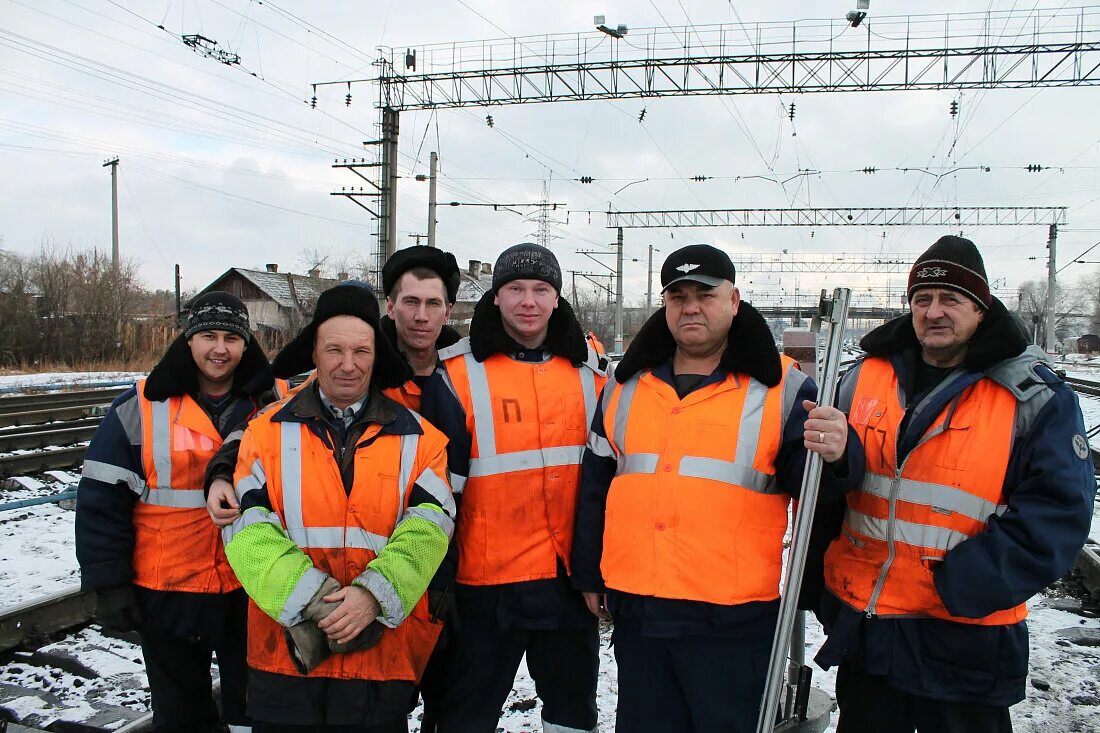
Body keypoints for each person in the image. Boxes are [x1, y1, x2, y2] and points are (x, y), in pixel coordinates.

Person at [570, 244, 862, 733]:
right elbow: (597, 484)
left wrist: (838, 452)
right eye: (677, 296)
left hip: (733, 617)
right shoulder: (625, 386)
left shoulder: (783, 387)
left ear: (734, 300)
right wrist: (588, 573)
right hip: (641, 609)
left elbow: (812, 482)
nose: (690, 307)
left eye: (705, 294)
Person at [812, 235, 1097, 733]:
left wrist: (966, 583)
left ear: (981, 309)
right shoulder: (864, 379)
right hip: (869, 630)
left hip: (965, 638)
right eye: (922, 299)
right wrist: (819, 584)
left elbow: (1058, 513)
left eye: (951, 299)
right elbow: (830, 489)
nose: (934, 312)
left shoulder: (1032, 396)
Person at [220, 282, 455, 732]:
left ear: (376, 355)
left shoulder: (422, 440)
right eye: (334, 350)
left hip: (378, 660)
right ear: (314, 353)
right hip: (287, 658)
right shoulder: (264, 433)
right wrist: (316, 603)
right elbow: (246, 529)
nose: (348, 365)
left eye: (361, 352)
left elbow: (429, 530)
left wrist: (373, 595)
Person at [420, 242, 608, 733]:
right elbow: (437, 492)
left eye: (541, 289)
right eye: (516, 289)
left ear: (557, 299)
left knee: (572, 712)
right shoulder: (455, 373)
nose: (529, 300)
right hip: (485, 586)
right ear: (497, 297)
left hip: (565, 579)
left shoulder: (593, 374)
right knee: (466, 713)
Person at [75, 291, 278, 733]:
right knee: (180, 715)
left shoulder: (274, 404)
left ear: (247, 345)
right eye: (208, 335)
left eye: (231, 337)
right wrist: (109, 583)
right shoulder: (142, 406)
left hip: (253, 586)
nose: (219, 349)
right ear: (188, 339)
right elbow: (101, 499)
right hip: (167, 588)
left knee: (255, 711)